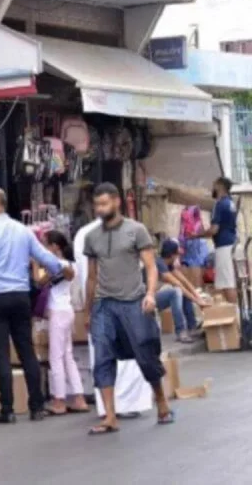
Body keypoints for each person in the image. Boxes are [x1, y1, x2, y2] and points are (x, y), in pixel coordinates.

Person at [0, 187, 74, 423]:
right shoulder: (22, 231)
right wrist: (60, 268)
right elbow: (45, 258)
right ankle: (36, 406)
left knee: (0, 353)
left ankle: (8, 409)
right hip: (20, 298)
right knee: (26, 350)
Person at [84, 182, 173, 435]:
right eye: (97, 205)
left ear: (116, 202)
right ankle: (110, 416)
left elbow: (151, 267)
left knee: (145, 354)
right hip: (104, 305)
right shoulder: (92, 237)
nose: (99, 209)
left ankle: (162, 401)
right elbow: (92, 276)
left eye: (104, 204)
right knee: (102, 357)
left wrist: (150, 294)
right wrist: (88, 311)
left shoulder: (136, 231)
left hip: (134, 302)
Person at [74, 219, 152, 420]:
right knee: (121, 356)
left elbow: (88, 277)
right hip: (121, 304)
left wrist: (87, 310)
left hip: (108, 306)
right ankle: (120, 406)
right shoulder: (128, 231)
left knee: (104, 357)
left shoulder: (84, 235)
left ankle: (109, 409)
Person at [33, 230, 88, 416]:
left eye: (45, 244)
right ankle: (79, 397)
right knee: (67, 356)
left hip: (58, 312)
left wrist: (34, 265)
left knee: (56, 357)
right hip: (67, 310)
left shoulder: (59, 264)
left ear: (55, 246)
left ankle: (59, 400)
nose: (43, 248)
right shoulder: (71, 263)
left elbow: (39, 282)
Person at [191, 177, 237, 303]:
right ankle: (228, 313)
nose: (212, 189)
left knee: (227, 284)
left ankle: (234, 316)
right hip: (231, 244)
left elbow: (214, 230)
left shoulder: (219, 204)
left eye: (214, 185)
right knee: (226, 282)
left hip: (223, 246)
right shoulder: (230, 202)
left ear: (220, 186)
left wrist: (196, 235)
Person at [155, 239, 208, 343]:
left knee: (182, 292)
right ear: (172, 255)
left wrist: (198, 296)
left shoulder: (168, 264)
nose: (178, 257)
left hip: (157, 295)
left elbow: (184, 281)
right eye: (177, 254)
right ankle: (181, 331)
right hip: (148, 299)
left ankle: (192, 327)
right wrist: (198, 302)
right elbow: (178, 284)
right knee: (176, 292)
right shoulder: (159, 264)